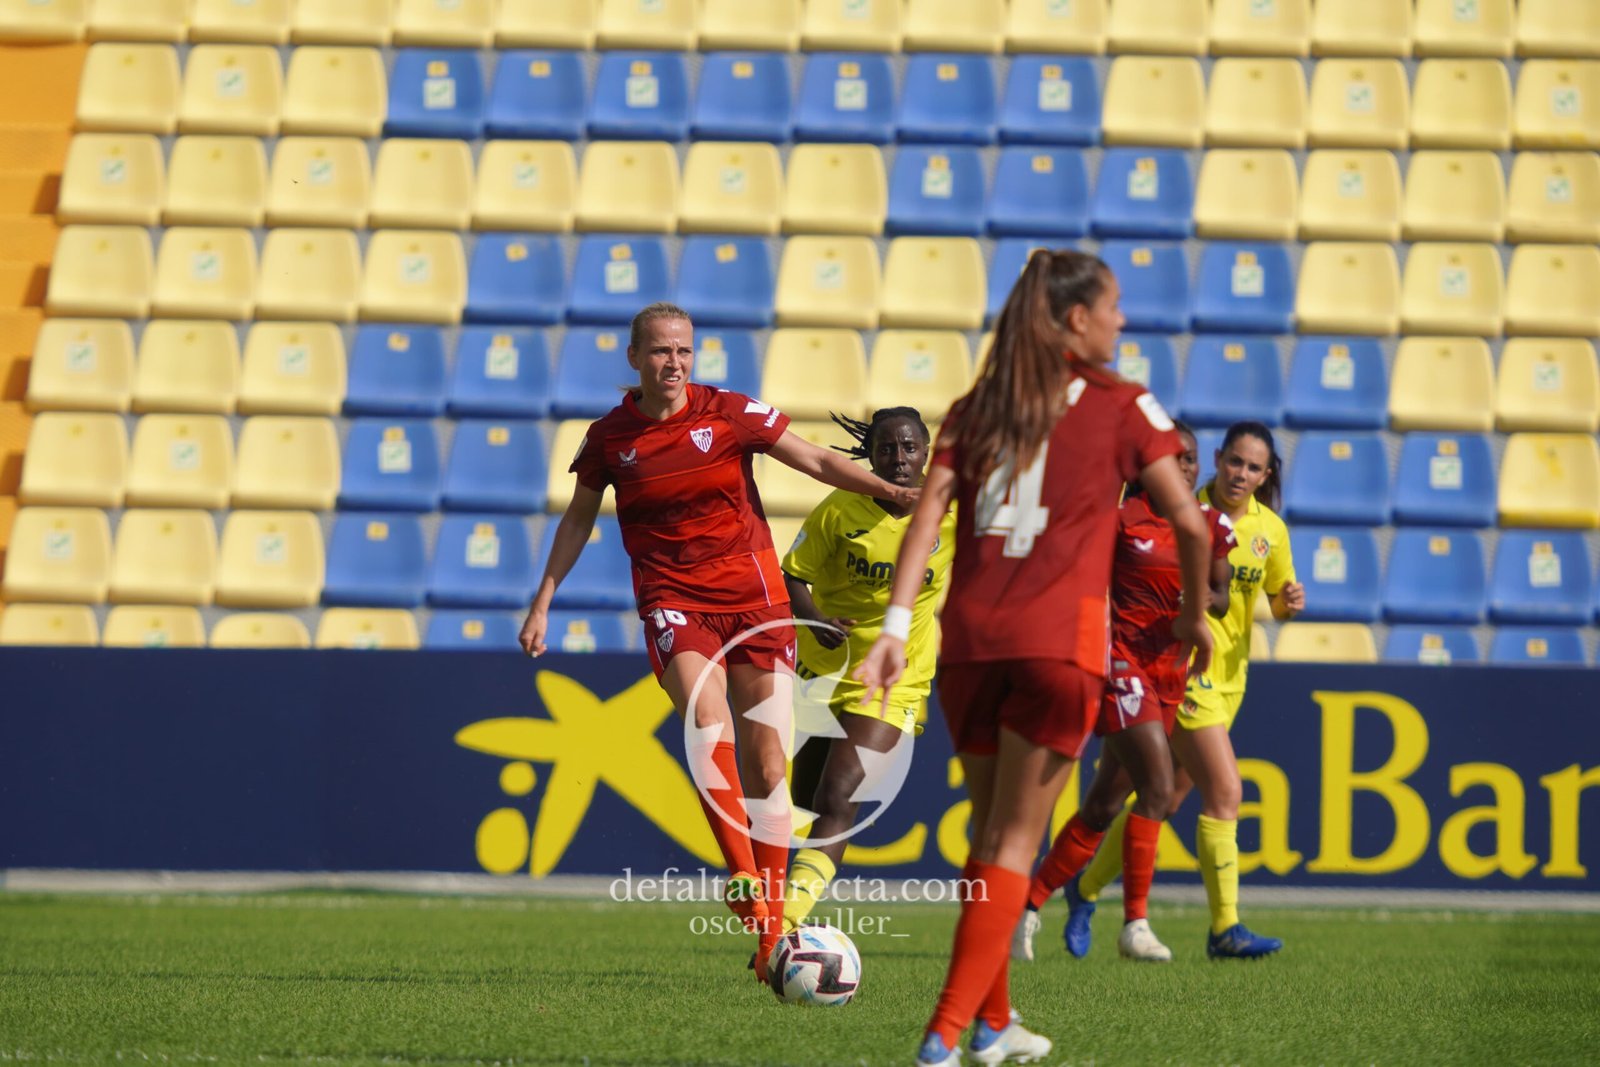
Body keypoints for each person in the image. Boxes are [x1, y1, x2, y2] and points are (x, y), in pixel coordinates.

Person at [853, 251, 1216, 1067]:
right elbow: (1190, 525)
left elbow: (924, 521)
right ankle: (943, 1038)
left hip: (970, 644)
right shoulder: (1124, 403)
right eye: (1114, 306)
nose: (1123, 321)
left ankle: (994, 1023)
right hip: (1061, 644)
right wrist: (1194, 614)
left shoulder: (977, 405)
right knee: (1016, 842)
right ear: (1076, 319)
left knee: (989, 836)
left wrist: (893, 625)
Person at [518, 302, 918, 980]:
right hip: (676, 601)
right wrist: (543, 600)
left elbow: (815, 458)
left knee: (768, 761)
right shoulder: (611, 438)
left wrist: (881, 487)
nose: (673, 362)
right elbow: (579, 518)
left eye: (683, 351)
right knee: (709, 720)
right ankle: (750, 889)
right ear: (634, 356)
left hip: (756, 599)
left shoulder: (729, 412)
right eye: (659, 351)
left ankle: (769, 934)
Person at [1064, 420, 1306, 961]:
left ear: (1266, 476)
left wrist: (1290, 600)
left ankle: (1083, 888)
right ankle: (1225, 929)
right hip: (1180, 673)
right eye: (1234, 461)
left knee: (1163, 799)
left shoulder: (1270, 530)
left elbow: (1276, 604)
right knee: (1225, 792)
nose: (1240, 474)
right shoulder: (1182, 510)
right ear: (1216, 459)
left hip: (1232, 679)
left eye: (1253, 467)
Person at [1011, 421, 1235, 965]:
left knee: (1103, 804)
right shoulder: (1118, 520)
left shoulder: (1210, 523)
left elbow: (1222, 595)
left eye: (1190, 459)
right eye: (1173, 457)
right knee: (1158, 788)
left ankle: (1029, 904)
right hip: (1119, 664)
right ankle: (1135, 923)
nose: (1184, 468)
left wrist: (1196, 608)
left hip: (1170, 674)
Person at [779, 407, 957, 932]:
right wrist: (814, 620)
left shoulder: (951, 511)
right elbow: (792, 576)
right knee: (809, 804)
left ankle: (784, 928)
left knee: (839, 797)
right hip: (824, 670)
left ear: (927, 452)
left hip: (896, 677)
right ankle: (791, 915)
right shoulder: (840, 510)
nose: (898, 460)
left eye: (909, 448)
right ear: (870, 454)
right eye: (886, 449)